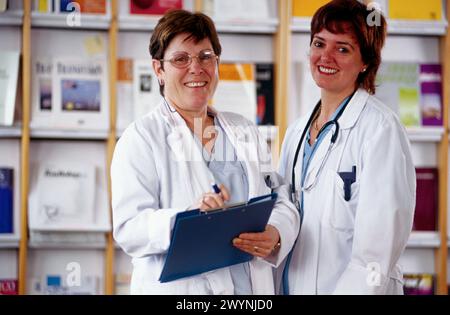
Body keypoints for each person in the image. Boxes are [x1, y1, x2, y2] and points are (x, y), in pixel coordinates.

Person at [111, 9, 299, 295]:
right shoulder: (140, 139)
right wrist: (187, 220)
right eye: (181, 59)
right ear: (159, 69)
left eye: (205, 56)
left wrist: (276, 233)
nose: (196, 68)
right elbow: (129, 228)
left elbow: (279, 196)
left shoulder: (244, 130)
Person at [278, 0, 415, 295]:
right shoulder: (296, 132)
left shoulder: (380, 130)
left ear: (366, 61)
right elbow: (283, 213)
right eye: (319, 43)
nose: (325, 56)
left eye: (342, 48)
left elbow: (375, 255)